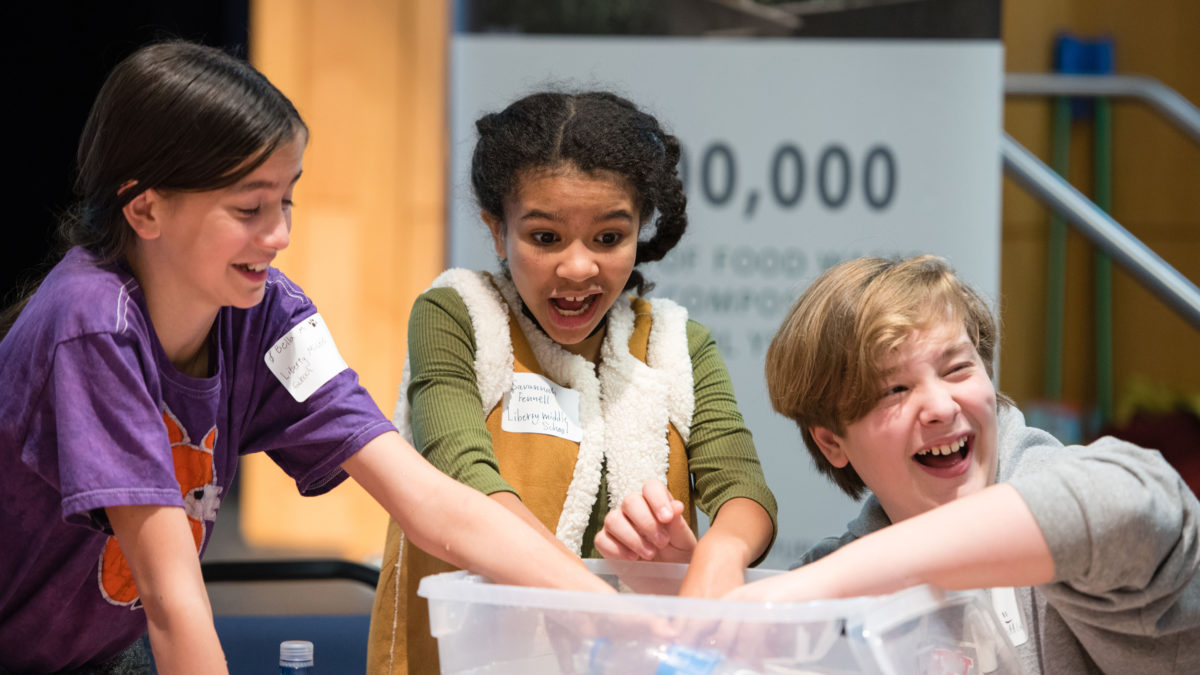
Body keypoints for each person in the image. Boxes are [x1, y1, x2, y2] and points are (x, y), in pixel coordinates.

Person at [0, 41, 614, 675]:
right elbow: (170, 598)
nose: (279, 234)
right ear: (147, 208)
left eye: (285, 199)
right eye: (249, 208)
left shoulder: (268, 314)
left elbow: (430, 500)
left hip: (89, 653)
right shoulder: (93, 325)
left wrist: (613, 612)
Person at [367, 91, 778, 674]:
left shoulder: (677, 345)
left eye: (609, 238)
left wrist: (721, 554)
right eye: (545, 238)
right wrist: (588, 601)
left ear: (639, 231)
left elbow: (744, 488)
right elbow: (460, 474)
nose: (579, 267)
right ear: (497, 230)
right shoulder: (457, 316)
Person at [724, 254, 1200, 673]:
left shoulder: (1083, 486)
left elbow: (1126, 506)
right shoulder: (822, 608)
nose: (942, 407)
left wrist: (815, 590)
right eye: (894, 390)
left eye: (957, 369)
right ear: (831, 442)